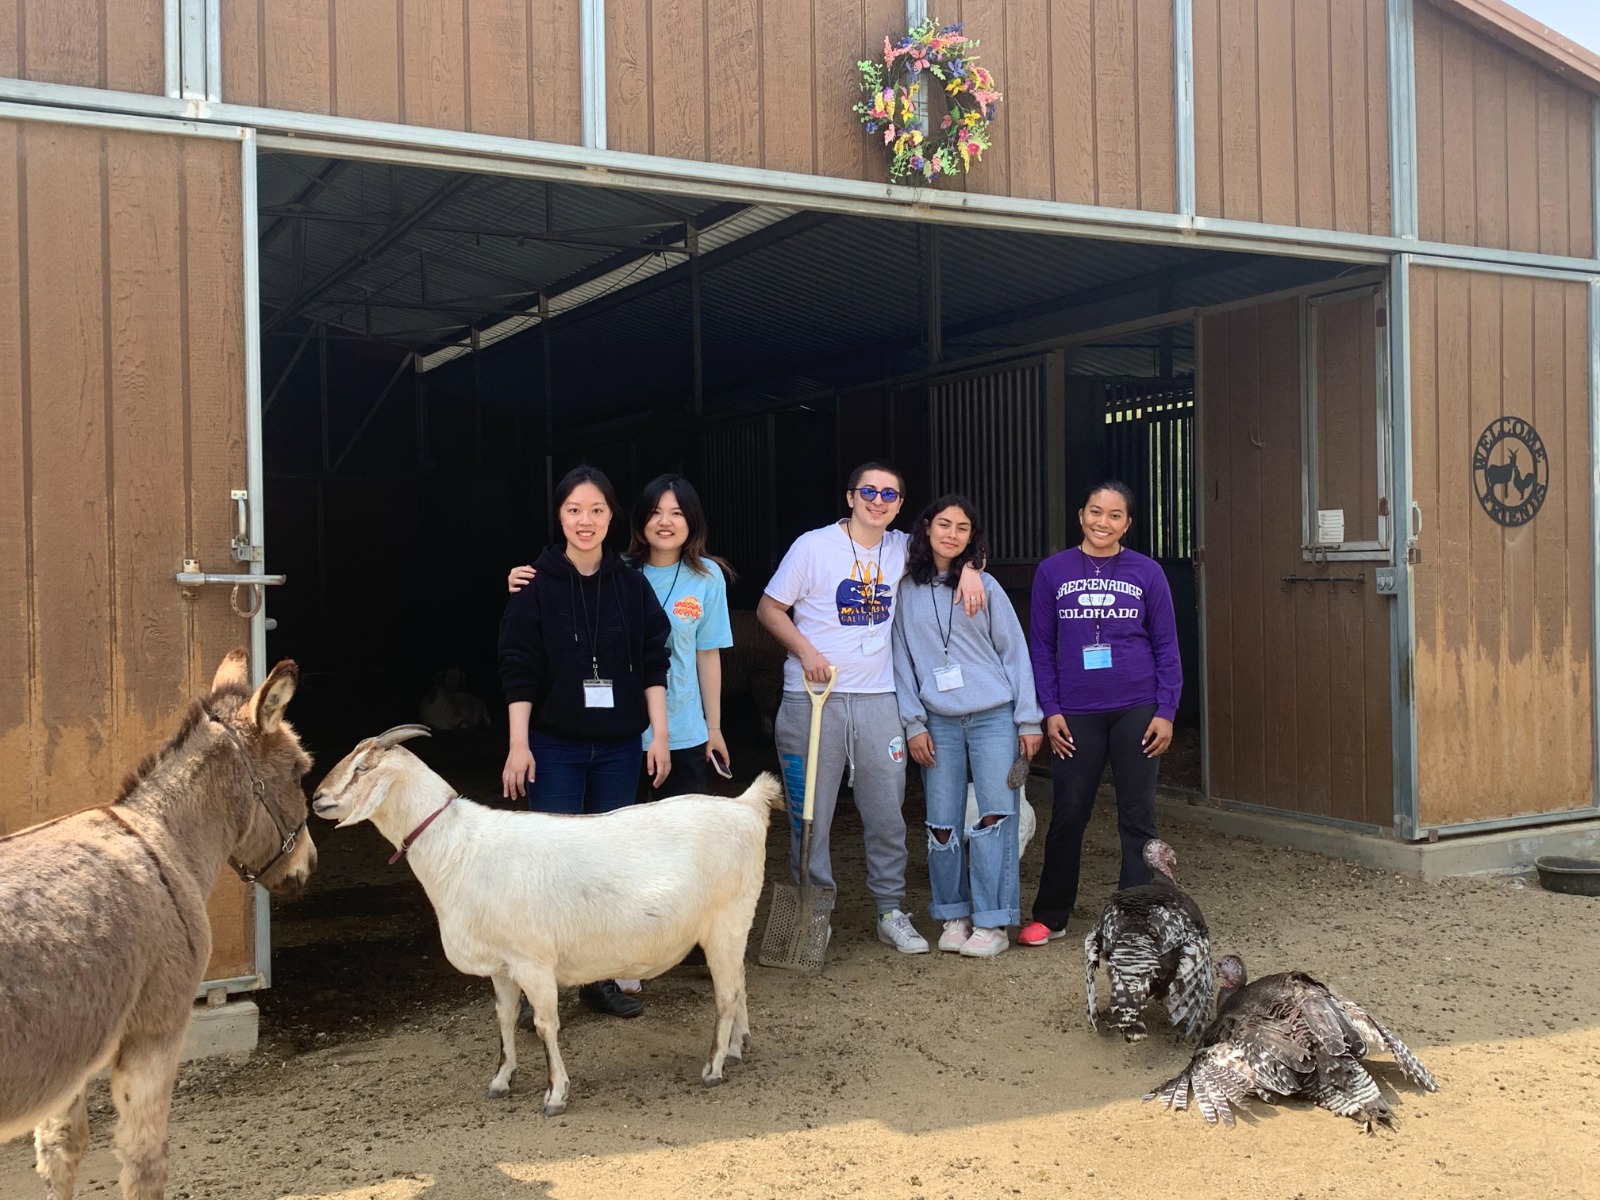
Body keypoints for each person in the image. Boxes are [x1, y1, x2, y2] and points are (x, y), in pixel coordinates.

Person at [757, 462, 987, 955]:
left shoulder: (904, 547)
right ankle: (812, 911)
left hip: (879, 699)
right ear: (850, 496)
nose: (877, 500)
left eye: (889, 494)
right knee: (810, 815)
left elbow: (954, 542)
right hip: (811, 701)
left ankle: (890, 909)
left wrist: (972, 568)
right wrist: (806, 652)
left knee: (885, 811)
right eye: (869, 491)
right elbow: (769, 609)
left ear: (902, 506)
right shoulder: (812, 547)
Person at [498, 464, 671, 1016]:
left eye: (597, 510)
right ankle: (534, 985)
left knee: (608, 868)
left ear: (611, 516)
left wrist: (658, 735)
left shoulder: (629, 583)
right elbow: (518, 668)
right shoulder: (535, 585)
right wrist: (518, 745)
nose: (586, 521)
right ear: (560, 516)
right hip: (554, 747)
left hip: (619, 748)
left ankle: (599, 979)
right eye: (575, 510)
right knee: (549, 866)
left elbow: (652, 659)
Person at [1020, 480, 1181, 947]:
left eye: (1114, 515)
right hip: (1075, 712)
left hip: (1138, 707)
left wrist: (1166, 709)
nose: (1102, 523)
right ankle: (1051, 915)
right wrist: (1049, 710)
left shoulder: (1147, 572)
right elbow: (1041, 647)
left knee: (1137, 814)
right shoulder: (1053, 571)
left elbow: (1167, 645)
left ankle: (1136, 917)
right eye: (1095, 512)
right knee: (1069, 812)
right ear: (1081, 515)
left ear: (1127, 523)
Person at [511, 474, 733, 798]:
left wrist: (713, 728)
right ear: (639, 518)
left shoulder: (707, 576)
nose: (664, 522)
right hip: (624, 734)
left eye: (677, 513)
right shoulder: (618, 573)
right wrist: (525, 582)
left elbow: (707, 653)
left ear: (693, 520)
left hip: (683, 731)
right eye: (655, 512)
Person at [891, 496, 1043, 958]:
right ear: (927, 529)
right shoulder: (904, 591)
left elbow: (1015, 652)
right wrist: (913, 723)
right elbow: (900, 661)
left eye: (962, 528)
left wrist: (1028, 718)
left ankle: (994, 921)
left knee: (997, 815)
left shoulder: (987, 586)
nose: (952, 534)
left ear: (972, 538)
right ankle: (953, 912)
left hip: (994, 715)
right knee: (941, 821)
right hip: (937, 721)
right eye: (944, 524)